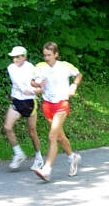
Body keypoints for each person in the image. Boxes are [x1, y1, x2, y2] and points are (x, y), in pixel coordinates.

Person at [31, 41, 83, 181]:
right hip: (48, 105)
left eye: (49, 55)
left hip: (61, 104)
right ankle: (73, 157)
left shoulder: (65, 66)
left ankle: (46, 170)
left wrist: (74, 85)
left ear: (56, 54)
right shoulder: (40, 67)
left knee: (52, 137)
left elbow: (79, 74)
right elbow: (33, 82)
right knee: (59, 137)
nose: (46, 58)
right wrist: (37, 85)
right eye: (44, 55)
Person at [4, 46, 44, 171]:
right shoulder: (10, 68)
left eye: (18, 57)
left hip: (30, 102)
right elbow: (18, 83)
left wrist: (36, 90)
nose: (15, 59)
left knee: (32, 132)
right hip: (17, 100)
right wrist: (28, 90)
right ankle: (18, 153)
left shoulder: (32, 68)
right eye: (13, 57)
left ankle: (39, 158)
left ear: (24, 57)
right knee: (7, 127)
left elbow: (40, 84)